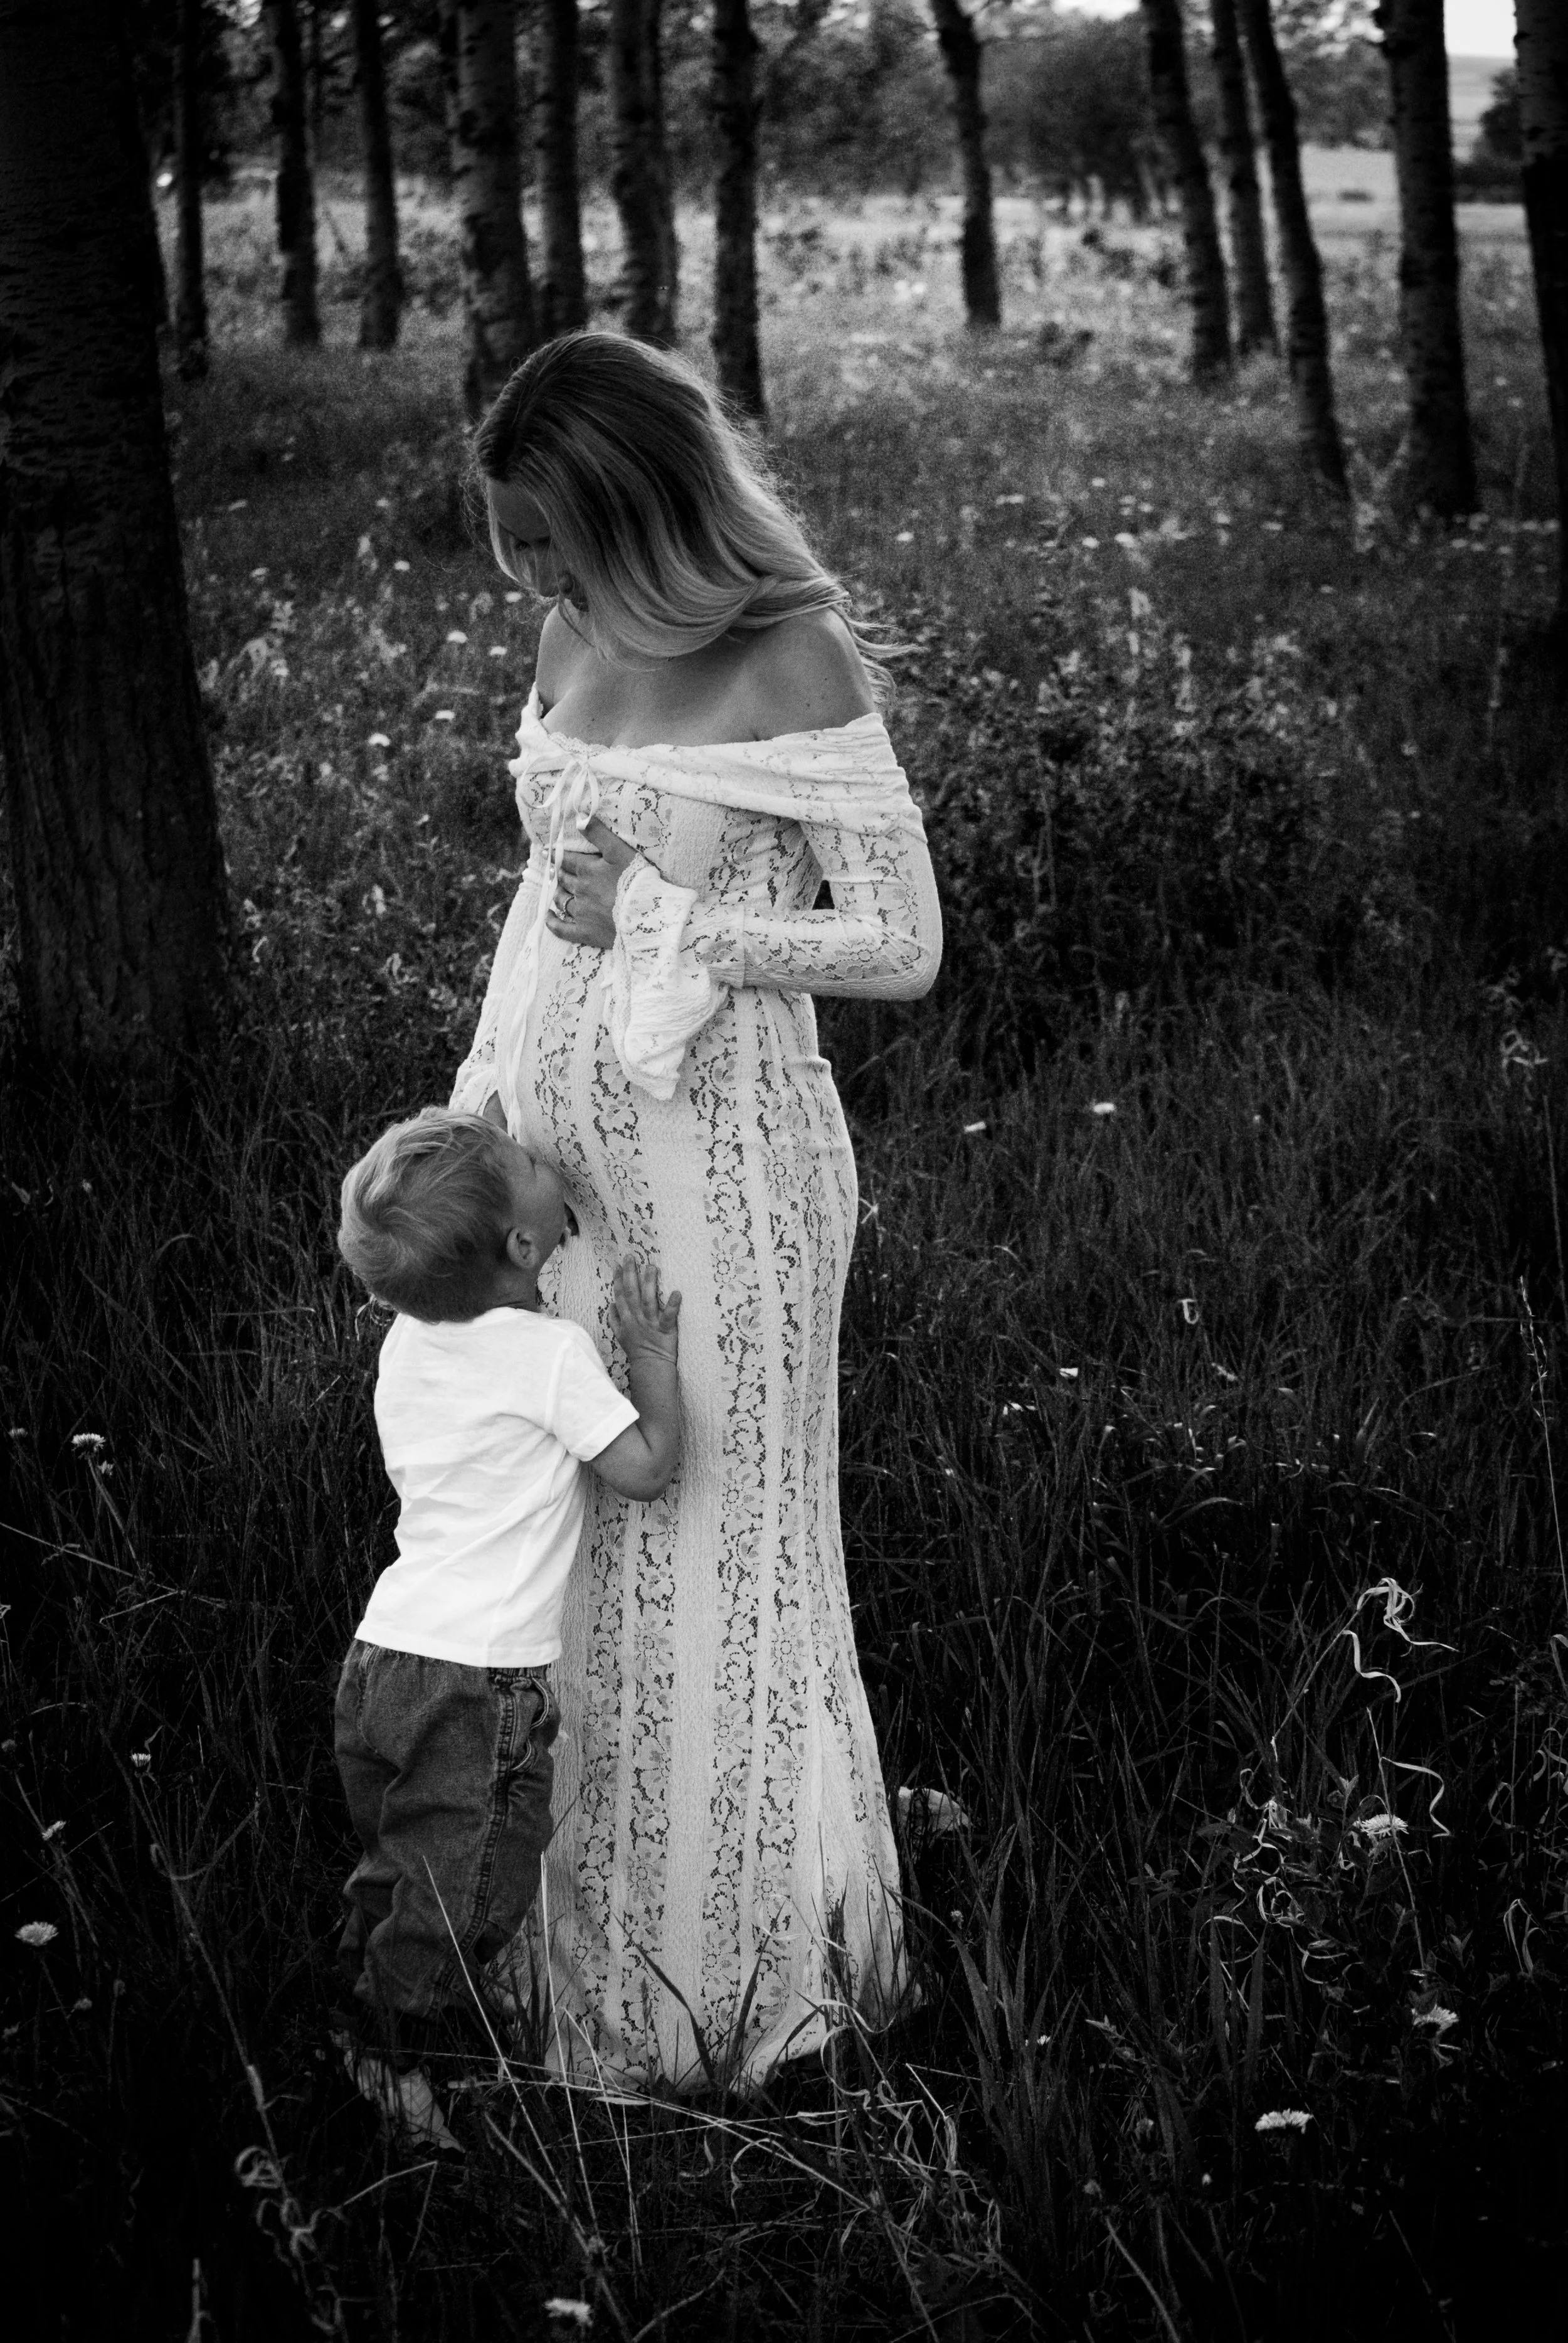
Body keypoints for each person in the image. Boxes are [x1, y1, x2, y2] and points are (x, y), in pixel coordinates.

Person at [449, 330, 942, 2094]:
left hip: (732, 1175)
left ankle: (746, 1987)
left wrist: (674, 917)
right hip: (566, 1180)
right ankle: (582, 1970)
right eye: (515, 545)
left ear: (643, 507)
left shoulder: (785, 652)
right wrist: (481, 1123)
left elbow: (895, 946)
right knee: (584, 1552)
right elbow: (540, 905)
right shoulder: (568, 634)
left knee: (722, 1551)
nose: (535, 578)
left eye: (554, 541)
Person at [332, 1105, 681, 2138]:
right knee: (465, 1897)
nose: (544, 1150)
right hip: (479, 1685)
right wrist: (648, 1349)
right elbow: (649, 1468)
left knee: (400, 1866)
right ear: (527, 1246)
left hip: (383, 1655)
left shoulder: (407, 1343)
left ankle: (356, 2006)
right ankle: (390, 2060)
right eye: (530, 1160)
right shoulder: (549, 1353)